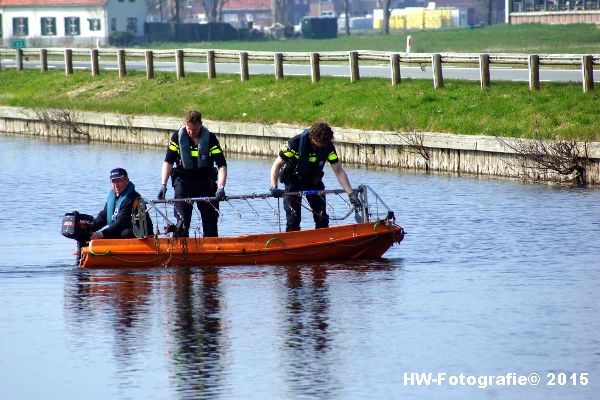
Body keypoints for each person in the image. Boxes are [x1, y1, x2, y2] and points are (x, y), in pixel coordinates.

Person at [269, 122, 361, 232]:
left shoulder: (328, 147)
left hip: (314, 182)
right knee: (293, 221)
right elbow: (276, 165)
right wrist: (274, 186)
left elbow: (339, 171)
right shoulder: (294, 143)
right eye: (321, 142)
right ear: (313, 138)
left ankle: (324, 242)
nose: (324, 145)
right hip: (293, 182)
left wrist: (351, 194)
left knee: (322, 218)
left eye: (326, 142)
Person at [158, 110, 227, 237]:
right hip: (183, 183)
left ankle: (211, 250)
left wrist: (221, 188)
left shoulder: (210, 139)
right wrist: (163, 184)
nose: (190, 132)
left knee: (210, 221)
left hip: (206, 183)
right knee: (182, 223)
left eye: (194, 129)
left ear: (200, 125)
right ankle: (181, 251)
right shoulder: (177, 138)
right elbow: (168, 162)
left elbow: (222, 165)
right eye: (188, 129)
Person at [90, 167, 153, 240]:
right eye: (113, 181)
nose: (116, 185)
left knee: (124, 233)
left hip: (141, 234)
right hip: (122, 229)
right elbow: (104, 216)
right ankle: (80, 249)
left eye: (119, 181)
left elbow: (121, 222)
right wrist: (90, 227)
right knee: (89, 234)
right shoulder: (114, 197)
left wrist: (102, 234)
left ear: (126, 180)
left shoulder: (132, 197)